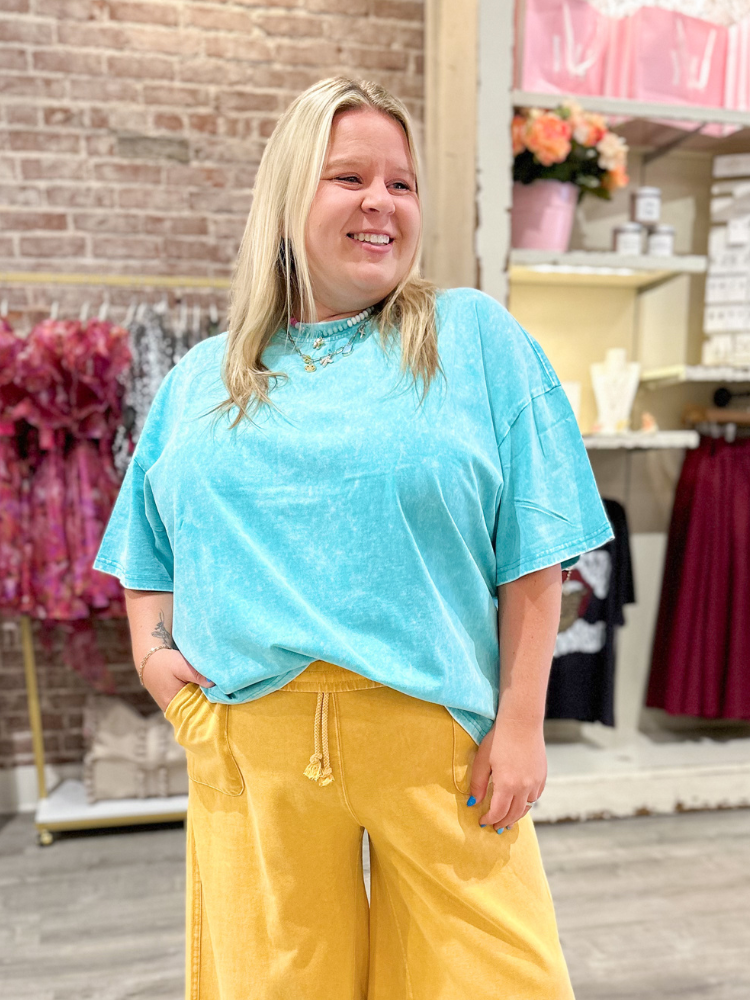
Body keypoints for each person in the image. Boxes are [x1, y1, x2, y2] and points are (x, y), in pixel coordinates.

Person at [94, 76, 613, 1000]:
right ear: (289, 196)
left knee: (499, 981)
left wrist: (522, 725)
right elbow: (147, 548)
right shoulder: (200, 380)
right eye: (349, 177)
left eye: (400, 184)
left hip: (441, 747)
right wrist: (155, 661)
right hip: (253, 744)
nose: (381, 202)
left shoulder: (472, 339)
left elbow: (536, 546)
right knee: (275, 985)